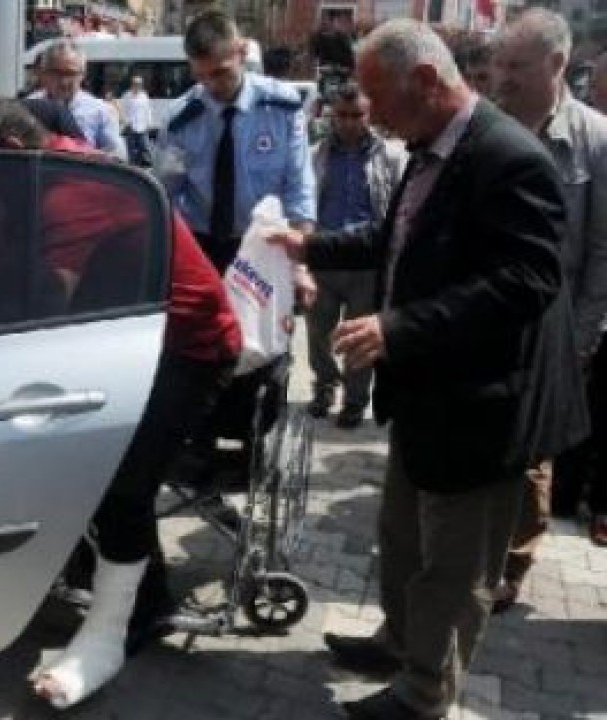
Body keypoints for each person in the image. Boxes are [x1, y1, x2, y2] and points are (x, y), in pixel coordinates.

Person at [269, 19, 588, 720]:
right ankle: (399, 642)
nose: (371, 113)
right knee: (403, 535)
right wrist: (310, 245)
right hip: (427, 394)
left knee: (454, 564)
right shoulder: (429, 146)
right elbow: (396, 239)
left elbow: (526, 281)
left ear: (424, 82)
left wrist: (398, 327)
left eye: (379, 98)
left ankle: (424, 694)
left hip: (483, 406)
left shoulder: (509, 157)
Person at [0, 98, 241, 710]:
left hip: (190, 348)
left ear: (12, 153)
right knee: (111, 479)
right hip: (141, 335)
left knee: (122, 487)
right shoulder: (50, 165)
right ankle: (143, 592)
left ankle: (122, 623)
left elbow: (53, 300)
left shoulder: (70, 194)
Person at [492, 10, 607, 585]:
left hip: (554, 323)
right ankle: (481, 543)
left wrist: (582, 336)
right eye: (500, 63)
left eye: (517, 65)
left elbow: (603, 249)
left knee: (534, 449)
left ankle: (514, 562)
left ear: (557, 64)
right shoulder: (489, 124)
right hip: (487, 311)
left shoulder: (596, 141)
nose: (503, 76)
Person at [155, 10, 316, 277]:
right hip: (200, 246)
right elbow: (165, 193)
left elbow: (299, 185)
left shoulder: (281, 107)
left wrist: (300, 265)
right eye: (201, 76)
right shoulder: (180, 120)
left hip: (265, 244)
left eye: (221, 73)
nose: (211, 85)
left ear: (242, 52)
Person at [307, 82, 407, 428]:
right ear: (331, 116)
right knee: (318, 332)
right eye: (342, 115)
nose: (349, 122)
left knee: (359, 336)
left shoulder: (391, 156)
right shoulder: (315, 155)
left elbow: (400, 209)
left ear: (369, 114)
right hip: (324, 258)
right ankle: (324, 386)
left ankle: (354, 400)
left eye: (357, 115)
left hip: (366, 263)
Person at [28, 40, 128, 161]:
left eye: (70, 74)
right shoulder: (29, 106)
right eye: (57, 73)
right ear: (43, 72)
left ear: (82, 74)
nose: (64, 81)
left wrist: (90, 155)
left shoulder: (101, 111)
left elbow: (117, 158)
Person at [120, 76, 154, 167]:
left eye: (139, 84)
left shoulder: (144, 95)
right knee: (131, 148)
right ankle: (133, 166)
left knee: (145, 146)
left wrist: (149, 123)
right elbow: (122, 110)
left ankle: (147, 165)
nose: (137, 86)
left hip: (142, 125)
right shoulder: (126, 95)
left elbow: (148, 110)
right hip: (131, 126)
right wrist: (126, 122)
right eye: (135, 84)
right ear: (132, 84)